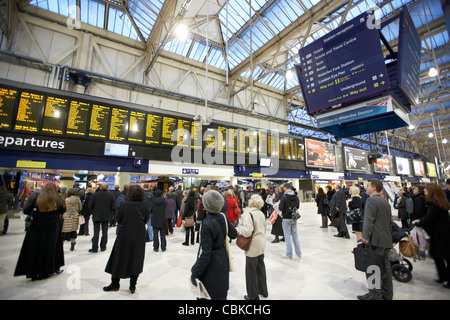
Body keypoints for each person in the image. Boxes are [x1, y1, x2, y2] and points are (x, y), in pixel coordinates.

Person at [191, 190, 237, 300]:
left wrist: (195, 271)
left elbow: (206, 253)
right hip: (223, 259)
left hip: (212, 265)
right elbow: (234, 234)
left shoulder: (207, 224)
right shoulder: (223, 217)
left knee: (209, 294)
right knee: (221, 293)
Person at [103, 185, 150, 294]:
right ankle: (132, 285)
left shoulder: (125, 205)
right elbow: (146, 219)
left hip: (125, 234)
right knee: (136, 258)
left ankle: (115, 283)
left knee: (119, 257)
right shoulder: (145, 205)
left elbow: (119, 219)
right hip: (139, 234)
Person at [14, 183, 65, 280]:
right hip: (53, 227)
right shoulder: (59, 199)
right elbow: (63, 211)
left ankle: (34, 271)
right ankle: (47, 270)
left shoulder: (38, 198)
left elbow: (26, 210)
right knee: (50, 248)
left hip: (38, 226)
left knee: (36, 248)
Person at [358, 179, 393, 300]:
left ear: (374, 188)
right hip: (386, 240)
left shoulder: (371, 201)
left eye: (367, 186)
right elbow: (390, 222)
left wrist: (365, 237)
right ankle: (387, 294)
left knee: (372, 268)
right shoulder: (384, 201)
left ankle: (374, 295)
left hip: (375, 240)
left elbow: (369, 221)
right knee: (385, 270)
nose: (365, 187)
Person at [413, 183, 450, 289]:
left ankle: (446, 278)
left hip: (440, 234)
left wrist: (419, 222)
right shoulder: (440, 202)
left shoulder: (435, 203)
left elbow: (430, 217)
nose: (425, 190)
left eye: (426, 189)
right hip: (440, 233)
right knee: (438, 256)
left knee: (444, 256)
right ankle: (443, 276)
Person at [237, 194, 268, 300]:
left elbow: (246, 232)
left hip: (253, 245)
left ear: (252, 203)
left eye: (250, 199)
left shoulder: (249, 215)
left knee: (251, 271)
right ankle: (263, 290)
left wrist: (240, 227)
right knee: (260, 267)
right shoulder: (261, 214)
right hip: (261, 243)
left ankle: (252, 296)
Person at [88, 182, 115, 253]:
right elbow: (113, 206)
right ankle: (103, 247)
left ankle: (94, 248)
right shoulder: (111, 195)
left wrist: (93, 211)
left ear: (100, 187)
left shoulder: (95, 195)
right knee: (105, 231)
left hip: (96, 215)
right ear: (107, 187)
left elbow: (90, 205)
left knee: (96, 232)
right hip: (106, 216)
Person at [278, 183, 301, 259]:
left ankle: (289, 254)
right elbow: (297, 206)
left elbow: (280, 208)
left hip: (286, 217)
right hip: (294, 217)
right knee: (295, 235)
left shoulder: (284, 197)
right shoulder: (296, 196)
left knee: (287, 235)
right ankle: (298, 253)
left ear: (285, 188)